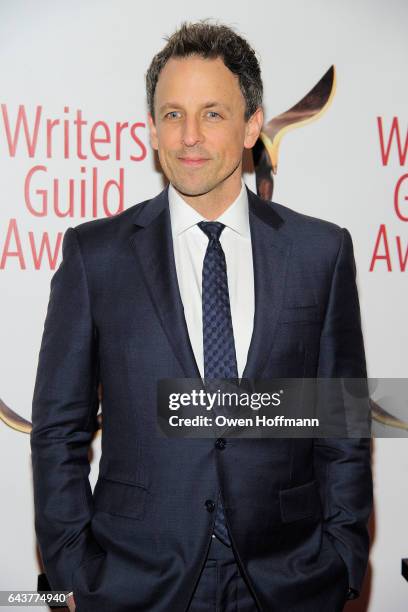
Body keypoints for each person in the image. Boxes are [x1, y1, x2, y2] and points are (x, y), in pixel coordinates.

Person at [30, 20, 373, 612]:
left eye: (213, 113)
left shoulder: (321, 252)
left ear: (253, 125)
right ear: (153, 131)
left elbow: (341, 424)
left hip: (285, 579)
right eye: (172, 114)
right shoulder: (96, 255)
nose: (189, 136)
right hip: (136, 580)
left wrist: (342, 557)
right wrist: (73, 572)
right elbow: (59, 430)